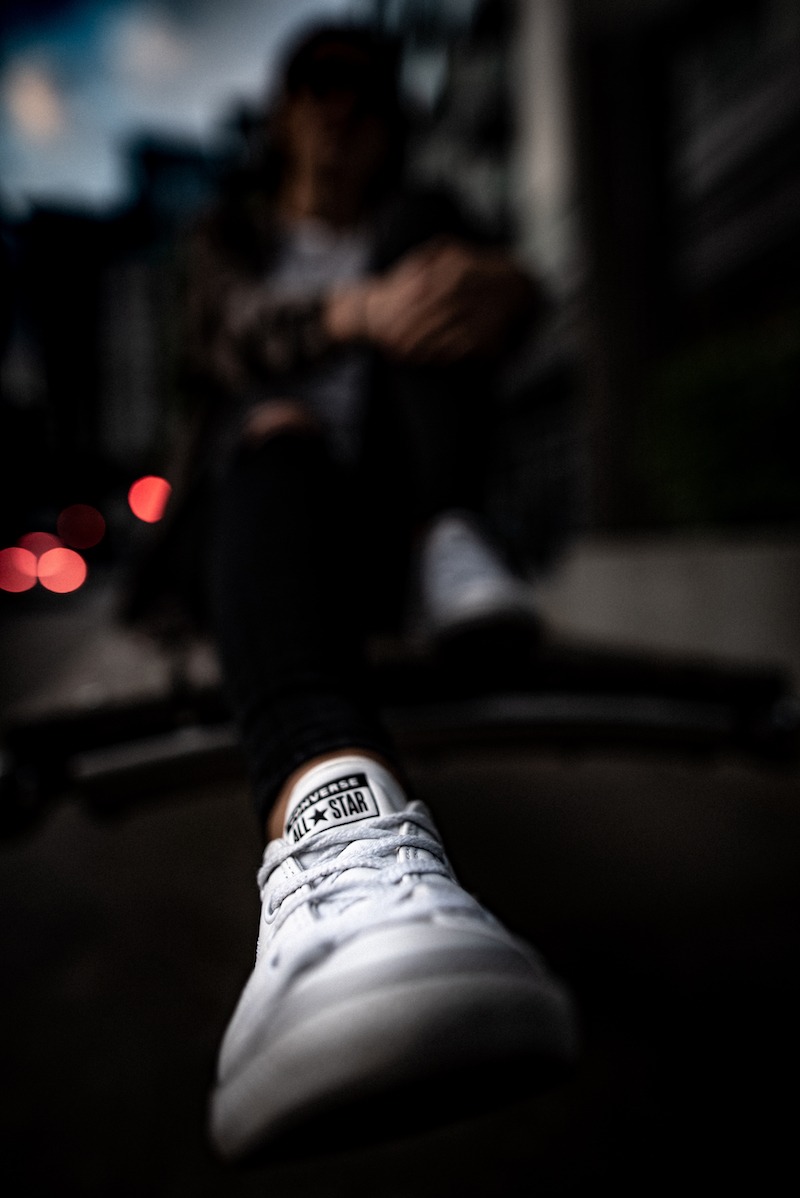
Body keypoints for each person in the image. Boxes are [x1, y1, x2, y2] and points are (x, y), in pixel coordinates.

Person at [168, 23, 578, 1158]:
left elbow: (518, 312)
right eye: (318, 85)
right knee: (278, 427)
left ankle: (449, 540)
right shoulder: (229, 234)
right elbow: (220, 339)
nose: (341, 107)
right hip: (257, 527)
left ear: (392, 120)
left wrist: (505, 289)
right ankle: (337, 843)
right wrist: (358, 311)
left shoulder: (423, 217)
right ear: (283, 112)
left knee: (441, 278)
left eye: (363, 89)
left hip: (388, 532)